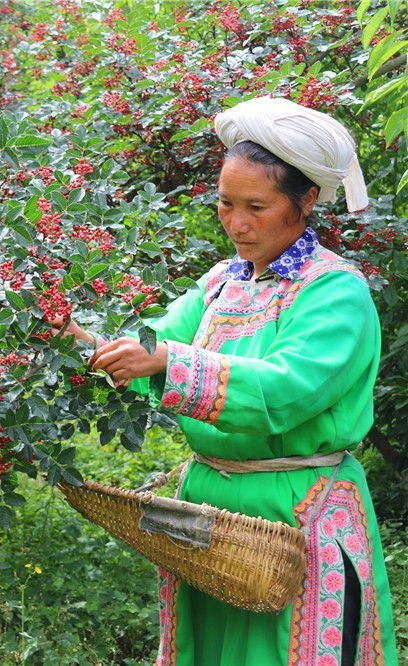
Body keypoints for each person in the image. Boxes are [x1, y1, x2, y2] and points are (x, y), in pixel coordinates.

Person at [54, 97, 396, 664]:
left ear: (306, 200)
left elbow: (288, 390)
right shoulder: (222, 283)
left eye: (256, 207)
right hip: (210, 520)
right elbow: (153, 343)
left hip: (297, 513)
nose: (237, 223)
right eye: (225, 203)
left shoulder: (336, 291)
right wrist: (83, 343)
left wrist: (168, 362)